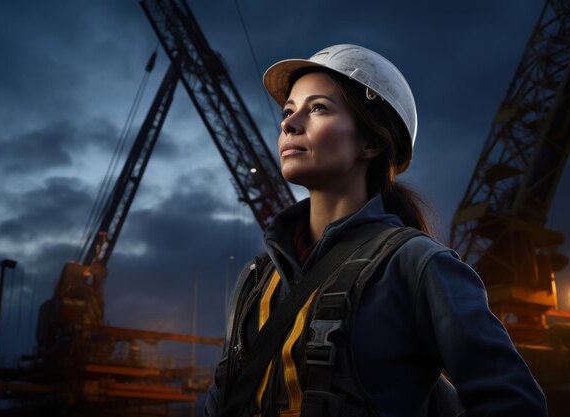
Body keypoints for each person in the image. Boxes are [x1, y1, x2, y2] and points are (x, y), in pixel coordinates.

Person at [205, 44, 547, 417]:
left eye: (318, 108)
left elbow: (514, 405)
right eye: (289, 110)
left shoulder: (417, 266)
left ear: (370, 141)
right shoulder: (255, 280)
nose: (288, 123)